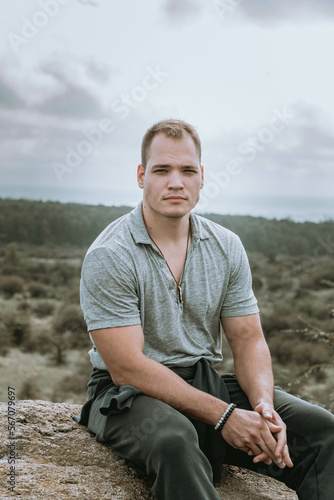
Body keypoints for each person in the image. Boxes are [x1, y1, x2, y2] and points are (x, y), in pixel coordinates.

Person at [74, 119, 334, 500]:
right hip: (125, 394)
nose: (175, 182)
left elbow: (248, 339)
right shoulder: (110, 255)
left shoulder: (226, 246)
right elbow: (125, 365)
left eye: (187, 171)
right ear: (141, 176)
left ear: (201, 178)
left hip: (202, 380)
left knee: (321, 430)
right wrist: (224, 416)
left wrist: (262, 406)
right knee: (174, 440)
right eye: (162, 170)